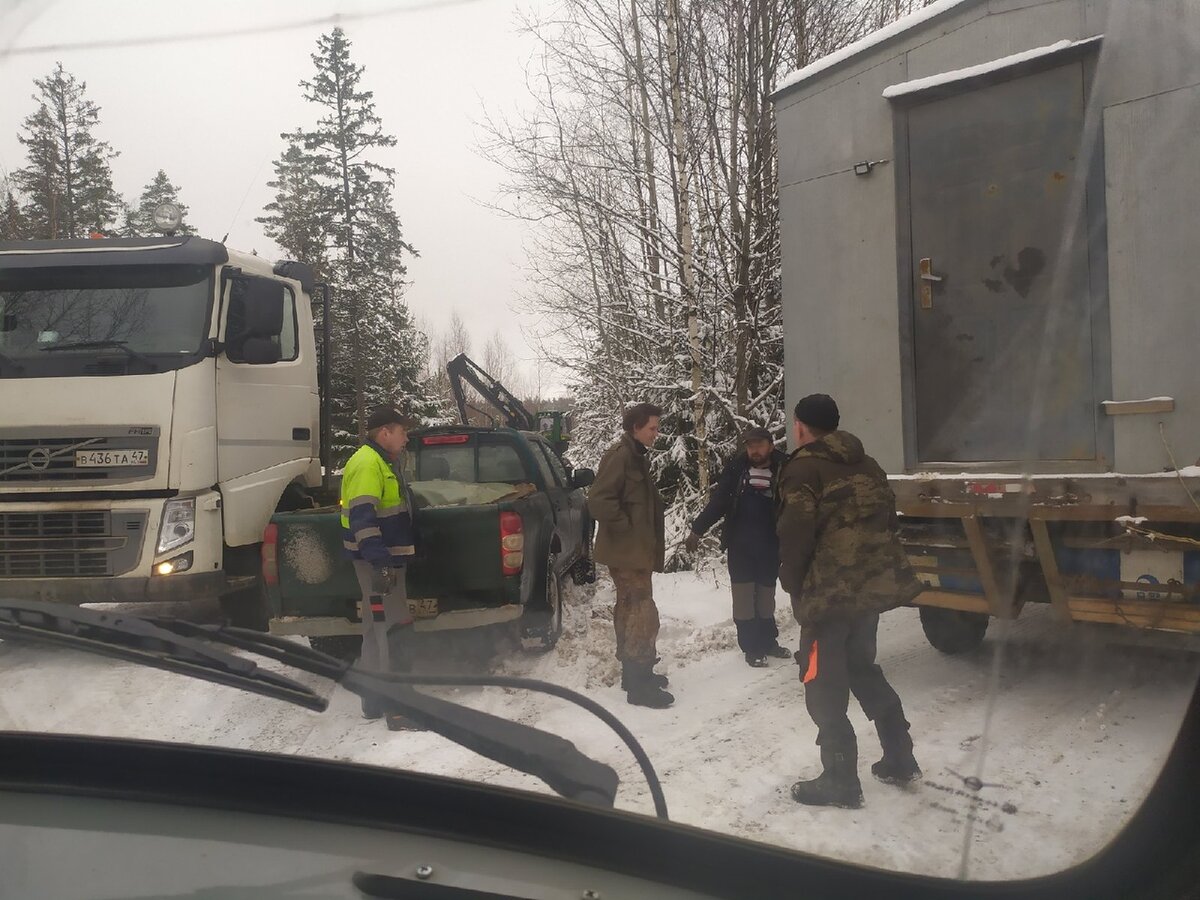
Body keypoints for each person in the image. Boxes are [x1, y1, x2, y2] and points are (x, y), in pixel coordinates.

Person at [776, 394, 923, 808]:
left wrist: (793, 584)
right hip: (867, 592)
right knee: (862, 667)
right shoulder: (868, 464)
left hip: (828, 598)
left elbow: (794, 534)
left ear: (801, 426)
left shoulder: (803, 468)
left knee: (821, 682)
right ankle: (900, 756)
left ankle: (840, 779)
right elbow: (887, 521)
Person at [588, 402, 673, 708]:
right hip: (627, 553)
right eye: (652, 427)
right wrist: (627, 530)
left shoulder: (635, 456)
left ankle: (633, 675)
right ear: (636, 427)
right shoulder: (622, 456)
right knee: (641, 612)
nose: (656, 433)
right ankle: (640, 685)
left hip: (634, 552)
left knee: (629, 609)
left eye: (657, 427)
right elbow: (598, 501)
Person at [685, 427, 792, 667]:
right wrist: (697, 529)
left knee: (766, 598)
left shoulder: (785, 468)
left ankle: (768, 642)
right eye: (750, 445)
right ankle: (751, 647)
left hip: (771, 545)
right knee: (744, 600)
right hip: (740, 545)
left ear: (770, 446)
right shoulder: (737, 469)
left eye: (759, 445)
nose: (754, 450)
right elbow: (720, 501)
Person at [340, 405, 419, 726]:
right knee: (396, 628)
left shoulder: (379, 461)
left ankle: (373, 701)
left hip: (378, 560)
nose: (405, 438)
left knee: (375, 631)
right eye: (402, 432)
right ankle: (399, 708)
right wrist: (380, 563)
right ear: (385, 432)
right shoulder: (368, 463)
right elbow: (362, 519)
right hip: (376, 562)